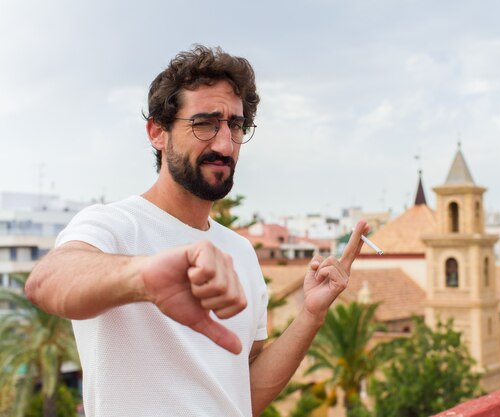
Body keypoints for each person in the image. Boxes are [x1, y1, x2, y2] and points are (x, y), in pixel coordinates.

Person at [25, 45, 369, 417]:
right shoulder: (113, 224)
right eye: (204, 123)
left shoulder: (240, 251)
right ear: (158, 132)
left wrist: (311, 316)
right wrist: (144, 277)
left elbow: (242, 394)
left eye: (236, 126)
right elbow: (47, 282)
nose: (225, 144)